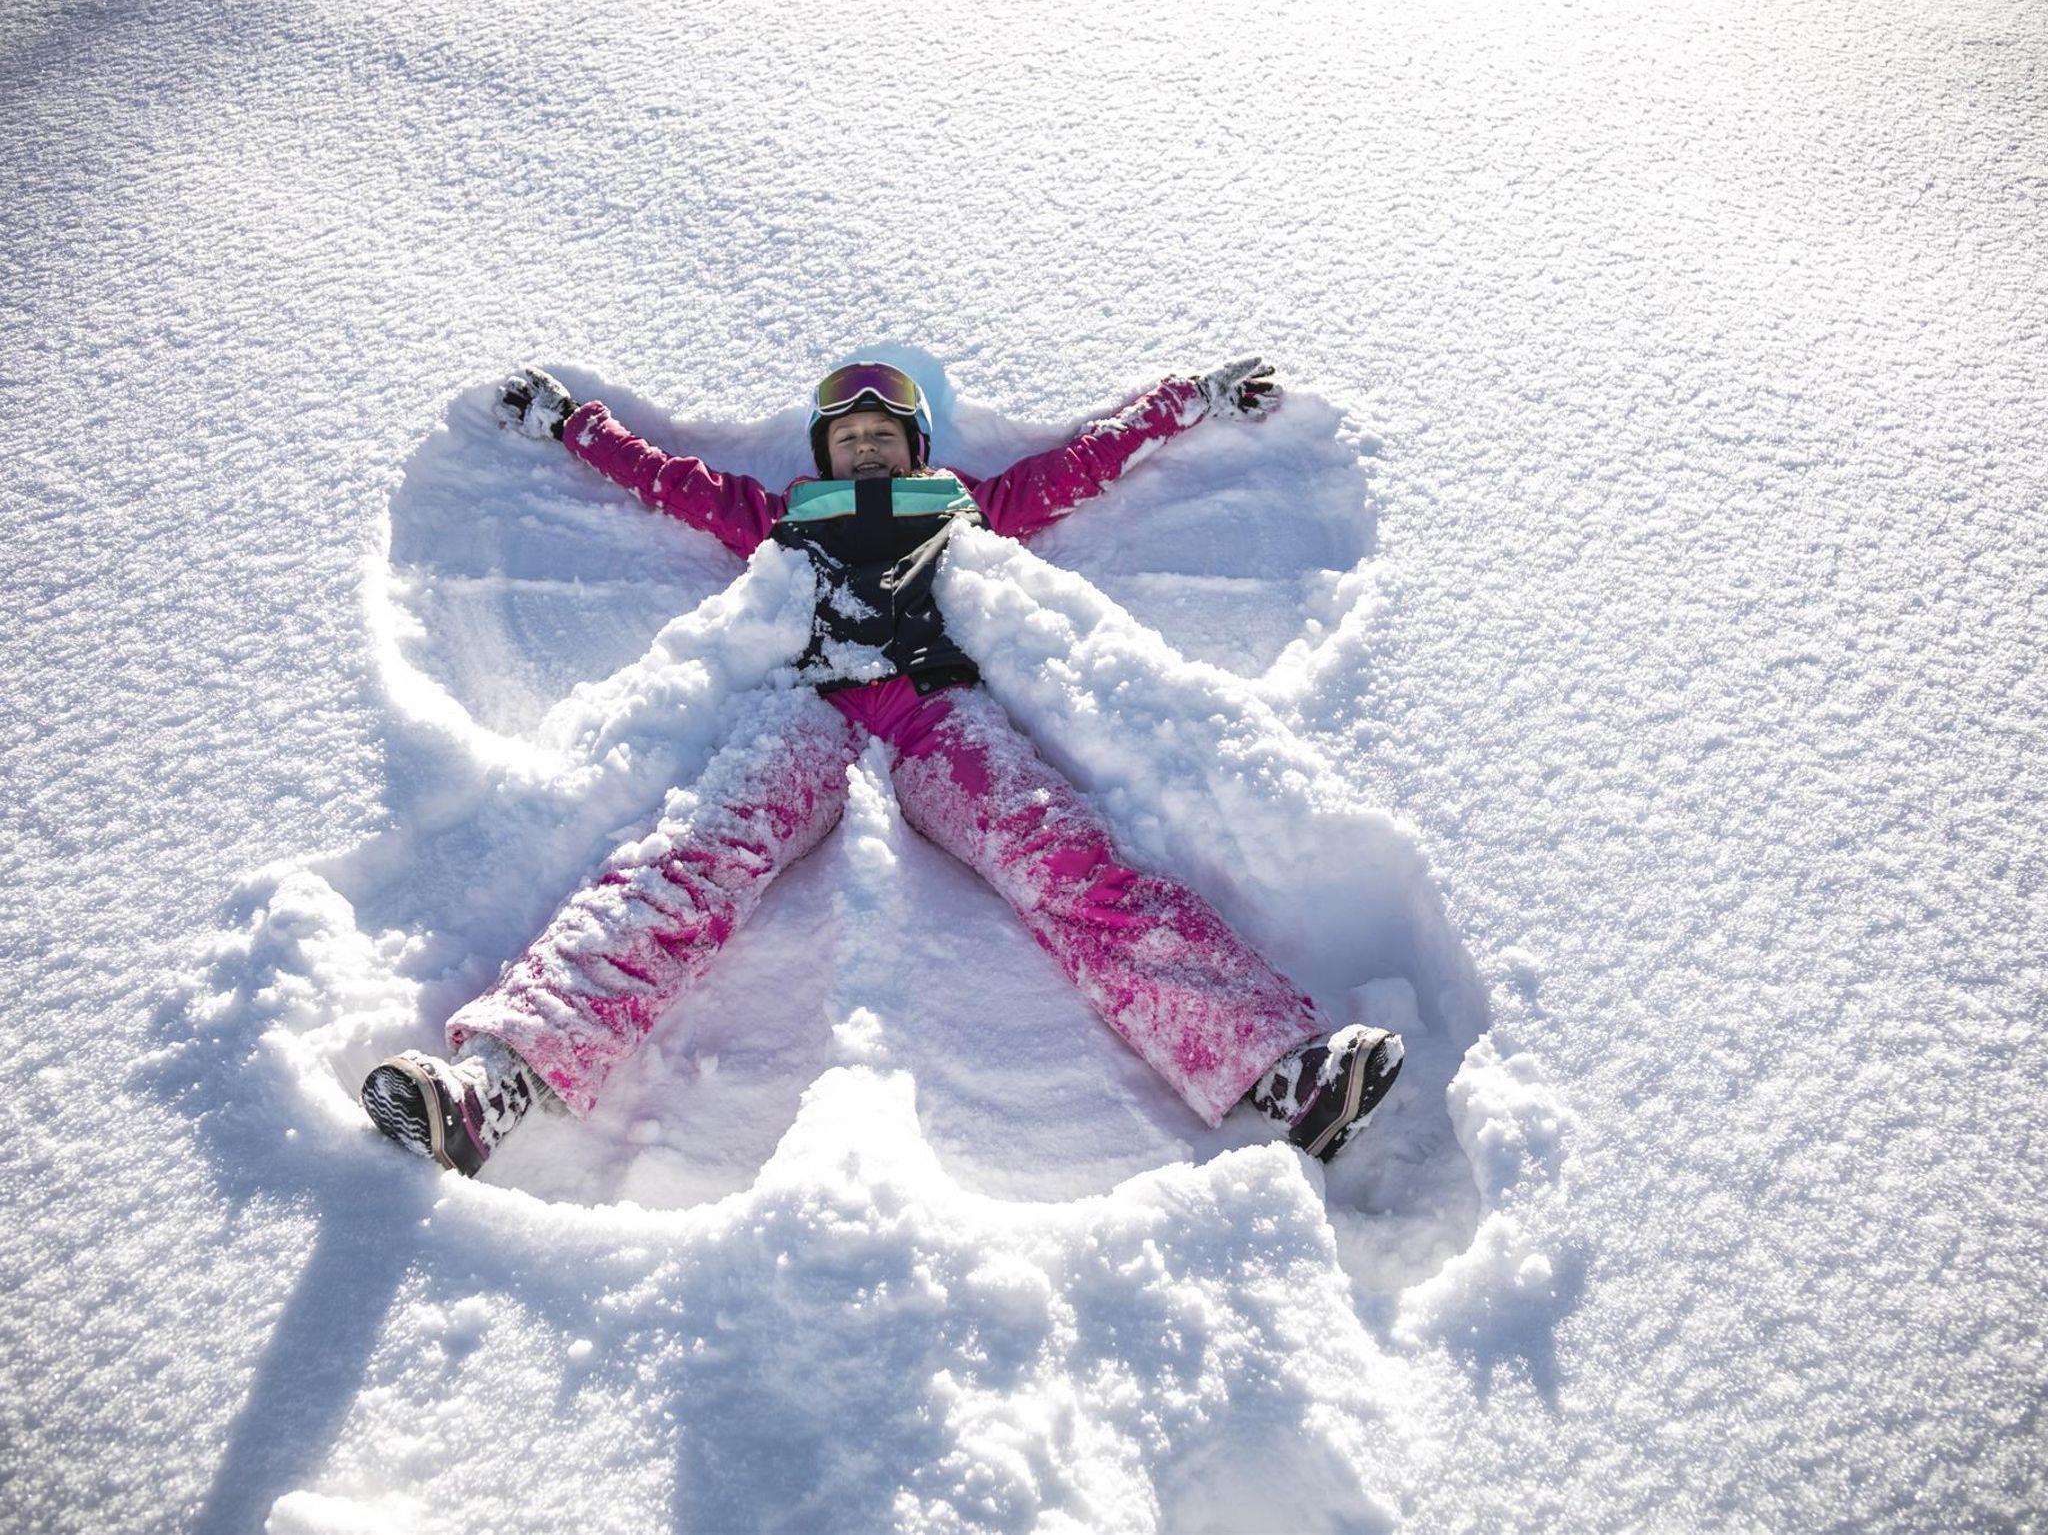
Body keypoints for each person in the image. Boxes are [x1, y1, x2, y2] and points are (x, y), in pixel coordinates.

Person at [360, 358, 1403, 1176]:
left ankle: (1280, 1073)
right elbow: (665, 480)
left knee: (1068, 861)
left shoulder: (961, 502)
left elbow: (1084, 462)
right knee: (683, 866)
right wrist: (568, 423)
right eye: (848, 438)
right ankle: (492, 1086)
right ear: (824, 455)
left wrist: (1190, 401)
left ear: (914, 448)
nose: (865, 449)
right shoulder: (781, 514)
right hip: (805, 714)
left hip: (937, 716)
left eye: (883, 436)